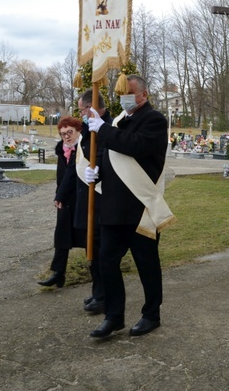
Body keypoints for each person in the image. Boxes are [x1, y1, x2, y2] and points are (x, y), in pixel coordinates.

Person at [84, 74, 174, 339]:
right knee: (107, 262)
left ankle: (151, 314)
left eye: (129, 93)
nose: (123, 98)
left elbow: (135, 146)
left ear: (143, 95)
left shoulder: (155, 120)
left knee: (146, 264)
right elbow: (109, 154)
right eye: (120, 93)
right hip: (113, 206)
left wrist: (103, 129)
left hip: (139, 207)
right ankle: (114, 316)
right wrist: (97, 171)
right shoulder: (119, 121)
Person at [74, 90, 112, 314]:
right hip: (87, 195)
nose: (81, 114)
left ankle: (104, 295)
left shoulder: (108, 126)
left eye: (82, 109)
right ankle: (97, 290)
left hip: (101, 196)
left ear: (92, 107)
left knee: (100, 249)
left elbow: (106, 155)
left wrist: (98, 169)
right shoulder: (89, 127)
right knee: (92, 247)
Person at [38, 116, 85, 288]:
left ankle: (97, 273)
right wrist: (59, 195)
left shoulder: (83, 148)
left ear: (78, 131)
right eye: (63, 133)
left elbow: (73, 174)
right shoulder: (62, 150)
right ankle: (58, 273)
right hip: (65, 199)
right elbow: (61, 177)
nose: (66, 136)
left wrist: (60, 195)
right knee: (62, 237)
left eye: (70, 132)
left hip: (82, 198)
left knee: (87, 236)